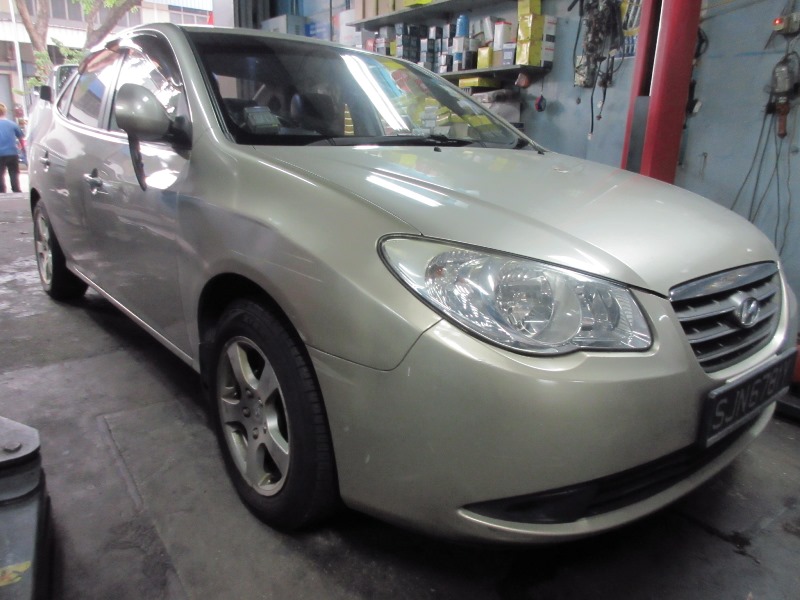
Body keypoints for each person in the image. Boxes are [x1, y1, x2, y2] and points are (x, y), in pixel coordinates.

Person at [0, 103, 24, 193]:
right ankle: (16, 189)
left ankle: (1, 191)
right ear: (5, 112)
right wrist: (23, 149)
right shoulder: (12, 124)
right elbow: (21, 138)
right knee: (14, 172)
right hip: (12, 153)